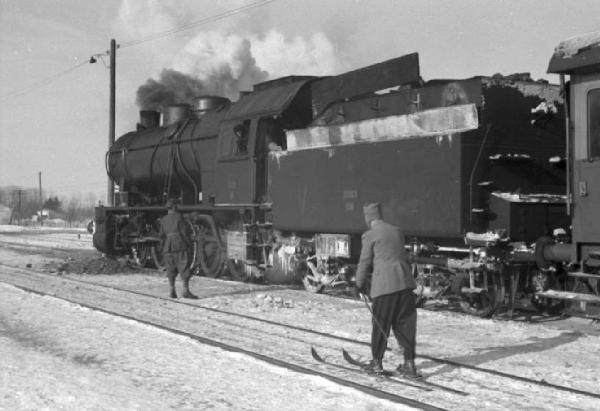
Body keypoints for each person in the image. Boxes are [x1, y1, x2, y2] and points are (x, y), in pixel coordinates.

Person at [355, 203, 418, 377]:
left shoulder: (370, 235)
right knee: (405, 325)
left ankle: (376, 363)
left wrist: (358, 283)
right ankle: (410, 364)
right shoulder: (397, 231)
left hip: (384, 287)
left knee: (381, 324)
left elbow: (365, 261)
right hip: (405, 284)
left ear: (368, 217)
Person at [159, 198, 197, 299]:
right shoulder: (180, 217)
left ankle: (172, 290)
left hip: (168, 246)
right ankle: (185, 290)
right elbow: (184, 232)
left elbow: (161, 236)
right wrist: (189, 243)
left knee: (170, 268)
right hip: (179, 244)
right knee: (184, 266)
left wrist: (164, 247)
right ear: (175, 206)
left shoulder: (163, 220)